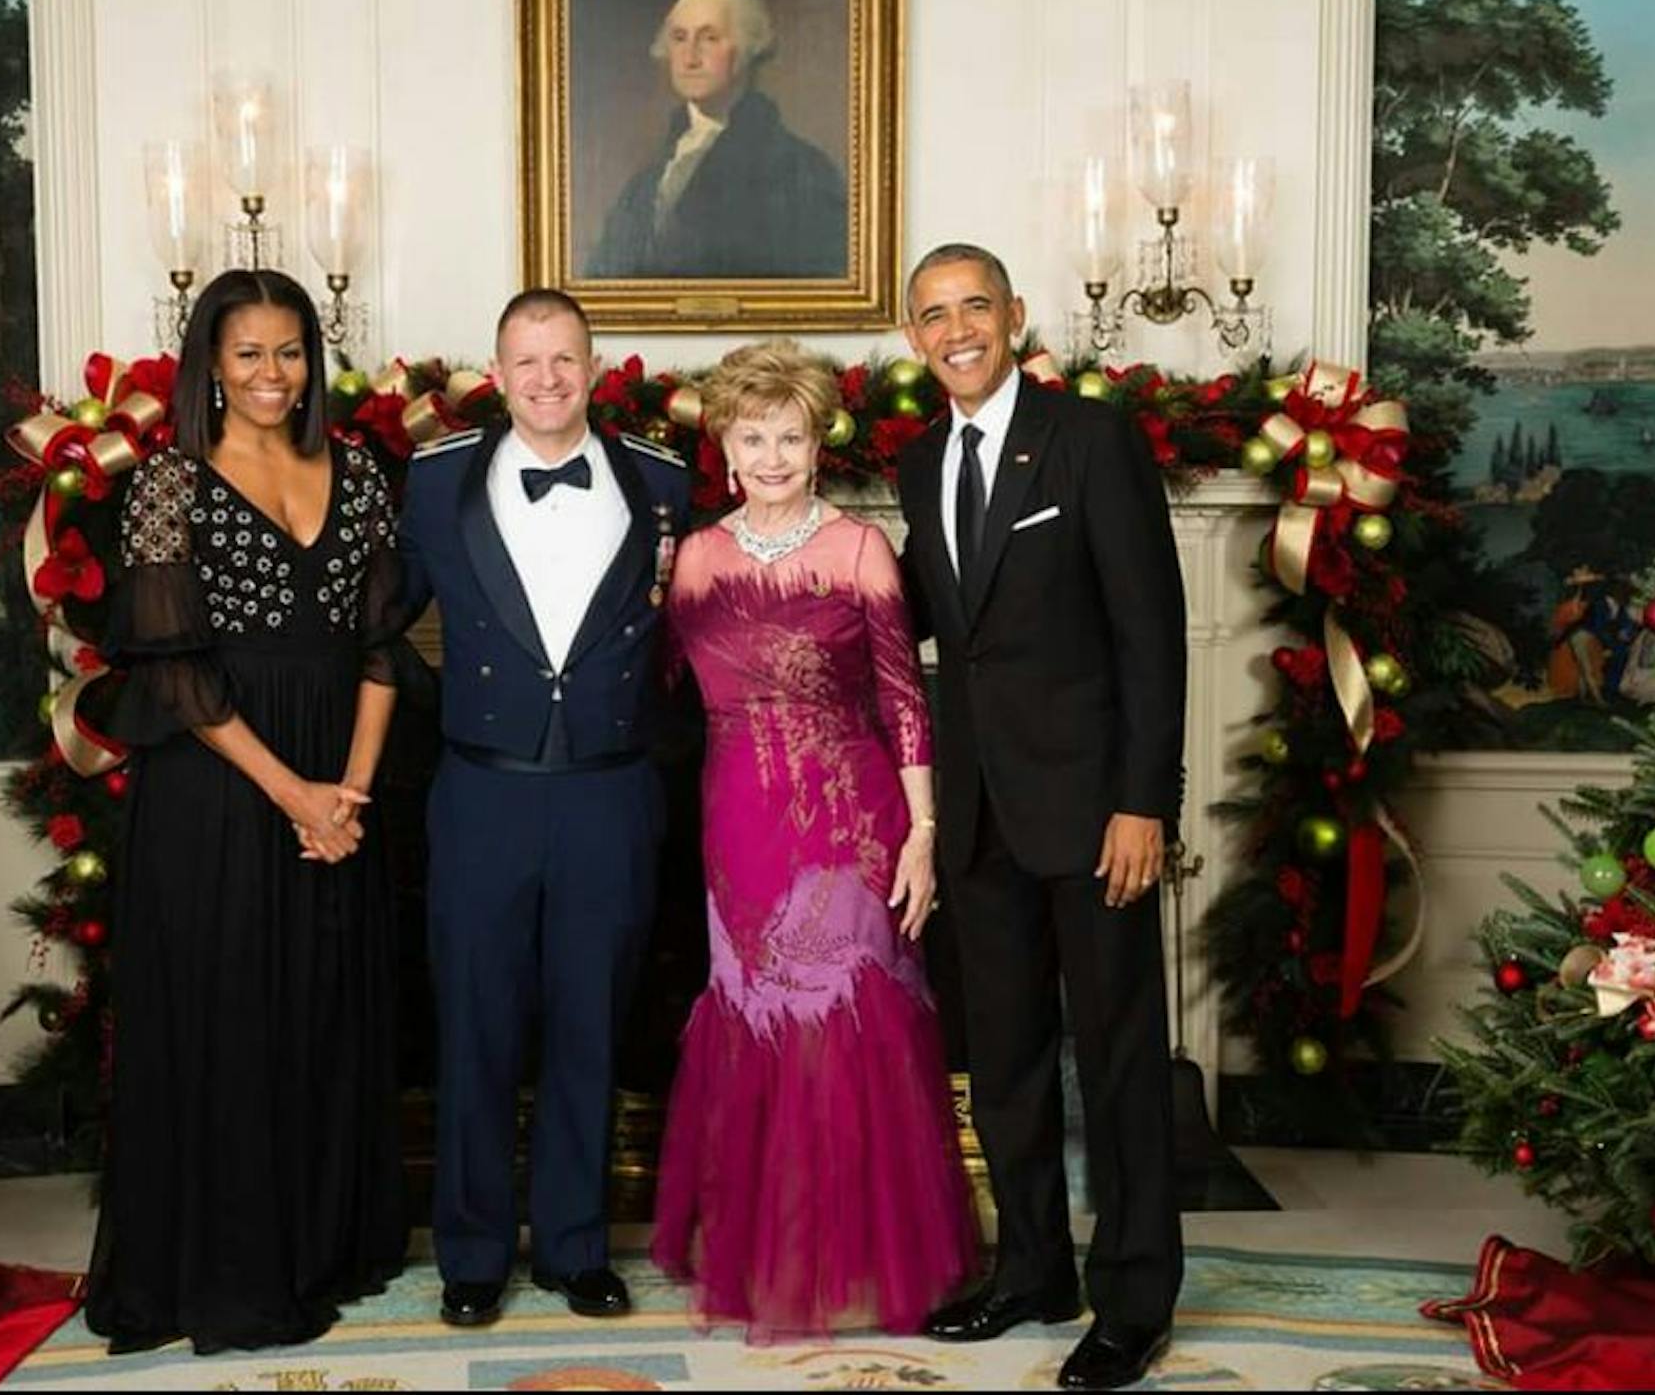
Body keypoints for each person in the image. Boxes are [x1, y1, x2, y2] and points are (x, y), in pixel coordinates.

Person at [84, 269, 408, 1353]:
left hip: (335, 781)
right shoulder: (169, 483)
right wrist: (294, 796)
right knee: (232, 1015)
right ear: (210, 369)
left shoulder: (359, 472)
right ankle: (229, 1263)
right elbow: (174, 677)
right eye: (249, 355)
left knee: (323, 1011)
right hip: (219, 785)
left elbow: (381, 648)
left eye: (290, 352)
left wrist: (348, 796)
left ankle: (322, 1244)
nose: (273, 375)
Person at [892, 244, 1187, 1391]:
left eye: (975, 307)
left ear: (1015, 314)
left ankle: (1133, 1298)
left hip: (1092, 811)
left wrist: (1141, 804)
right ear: (914, 339)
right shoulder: (921, 461)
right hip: (977, 819)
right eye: (933, 316)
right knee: (1006, 1062)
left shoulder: (1091, 439)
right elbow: (925, 610)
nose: (956, 330)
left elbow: (1150, 637)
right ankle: (1032, 1270)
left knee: (1116, 1064)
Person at [650, 339, 977, 1339]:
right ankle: (779, 1251)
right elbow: (658, 690)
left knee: (843, 1023)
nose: (775, 453)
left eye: (791, 434)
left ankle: (862, 1258)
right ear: (728, 448)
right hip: (735, 820)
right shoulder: (696, 559)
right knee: (754, 1023)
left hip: (848, 822)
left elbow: (902, 696)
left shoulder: (859, 550)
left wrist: (923, 831)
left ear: (817, 441)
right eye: (755, 435)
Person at [382, 287, 691, 1328]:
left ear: (593, 366)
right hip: (482, 794)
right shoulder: (431, 485)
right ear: (497, 371)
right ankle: (471, 1255)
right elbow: (372, 628)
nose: (548, 380)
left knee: (589, 1026)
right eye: (528, 362)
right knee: (474, 1024)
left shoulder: (664, 482)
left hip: (612, 795)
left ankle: (572, 1246)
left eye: (565, 360)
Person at [586, 0, 846, 279]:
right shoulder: (646, 180)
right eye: (680, 38)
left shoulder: (800, 169)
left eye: (709, 38)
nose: (690, 56)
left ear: (748, 49)